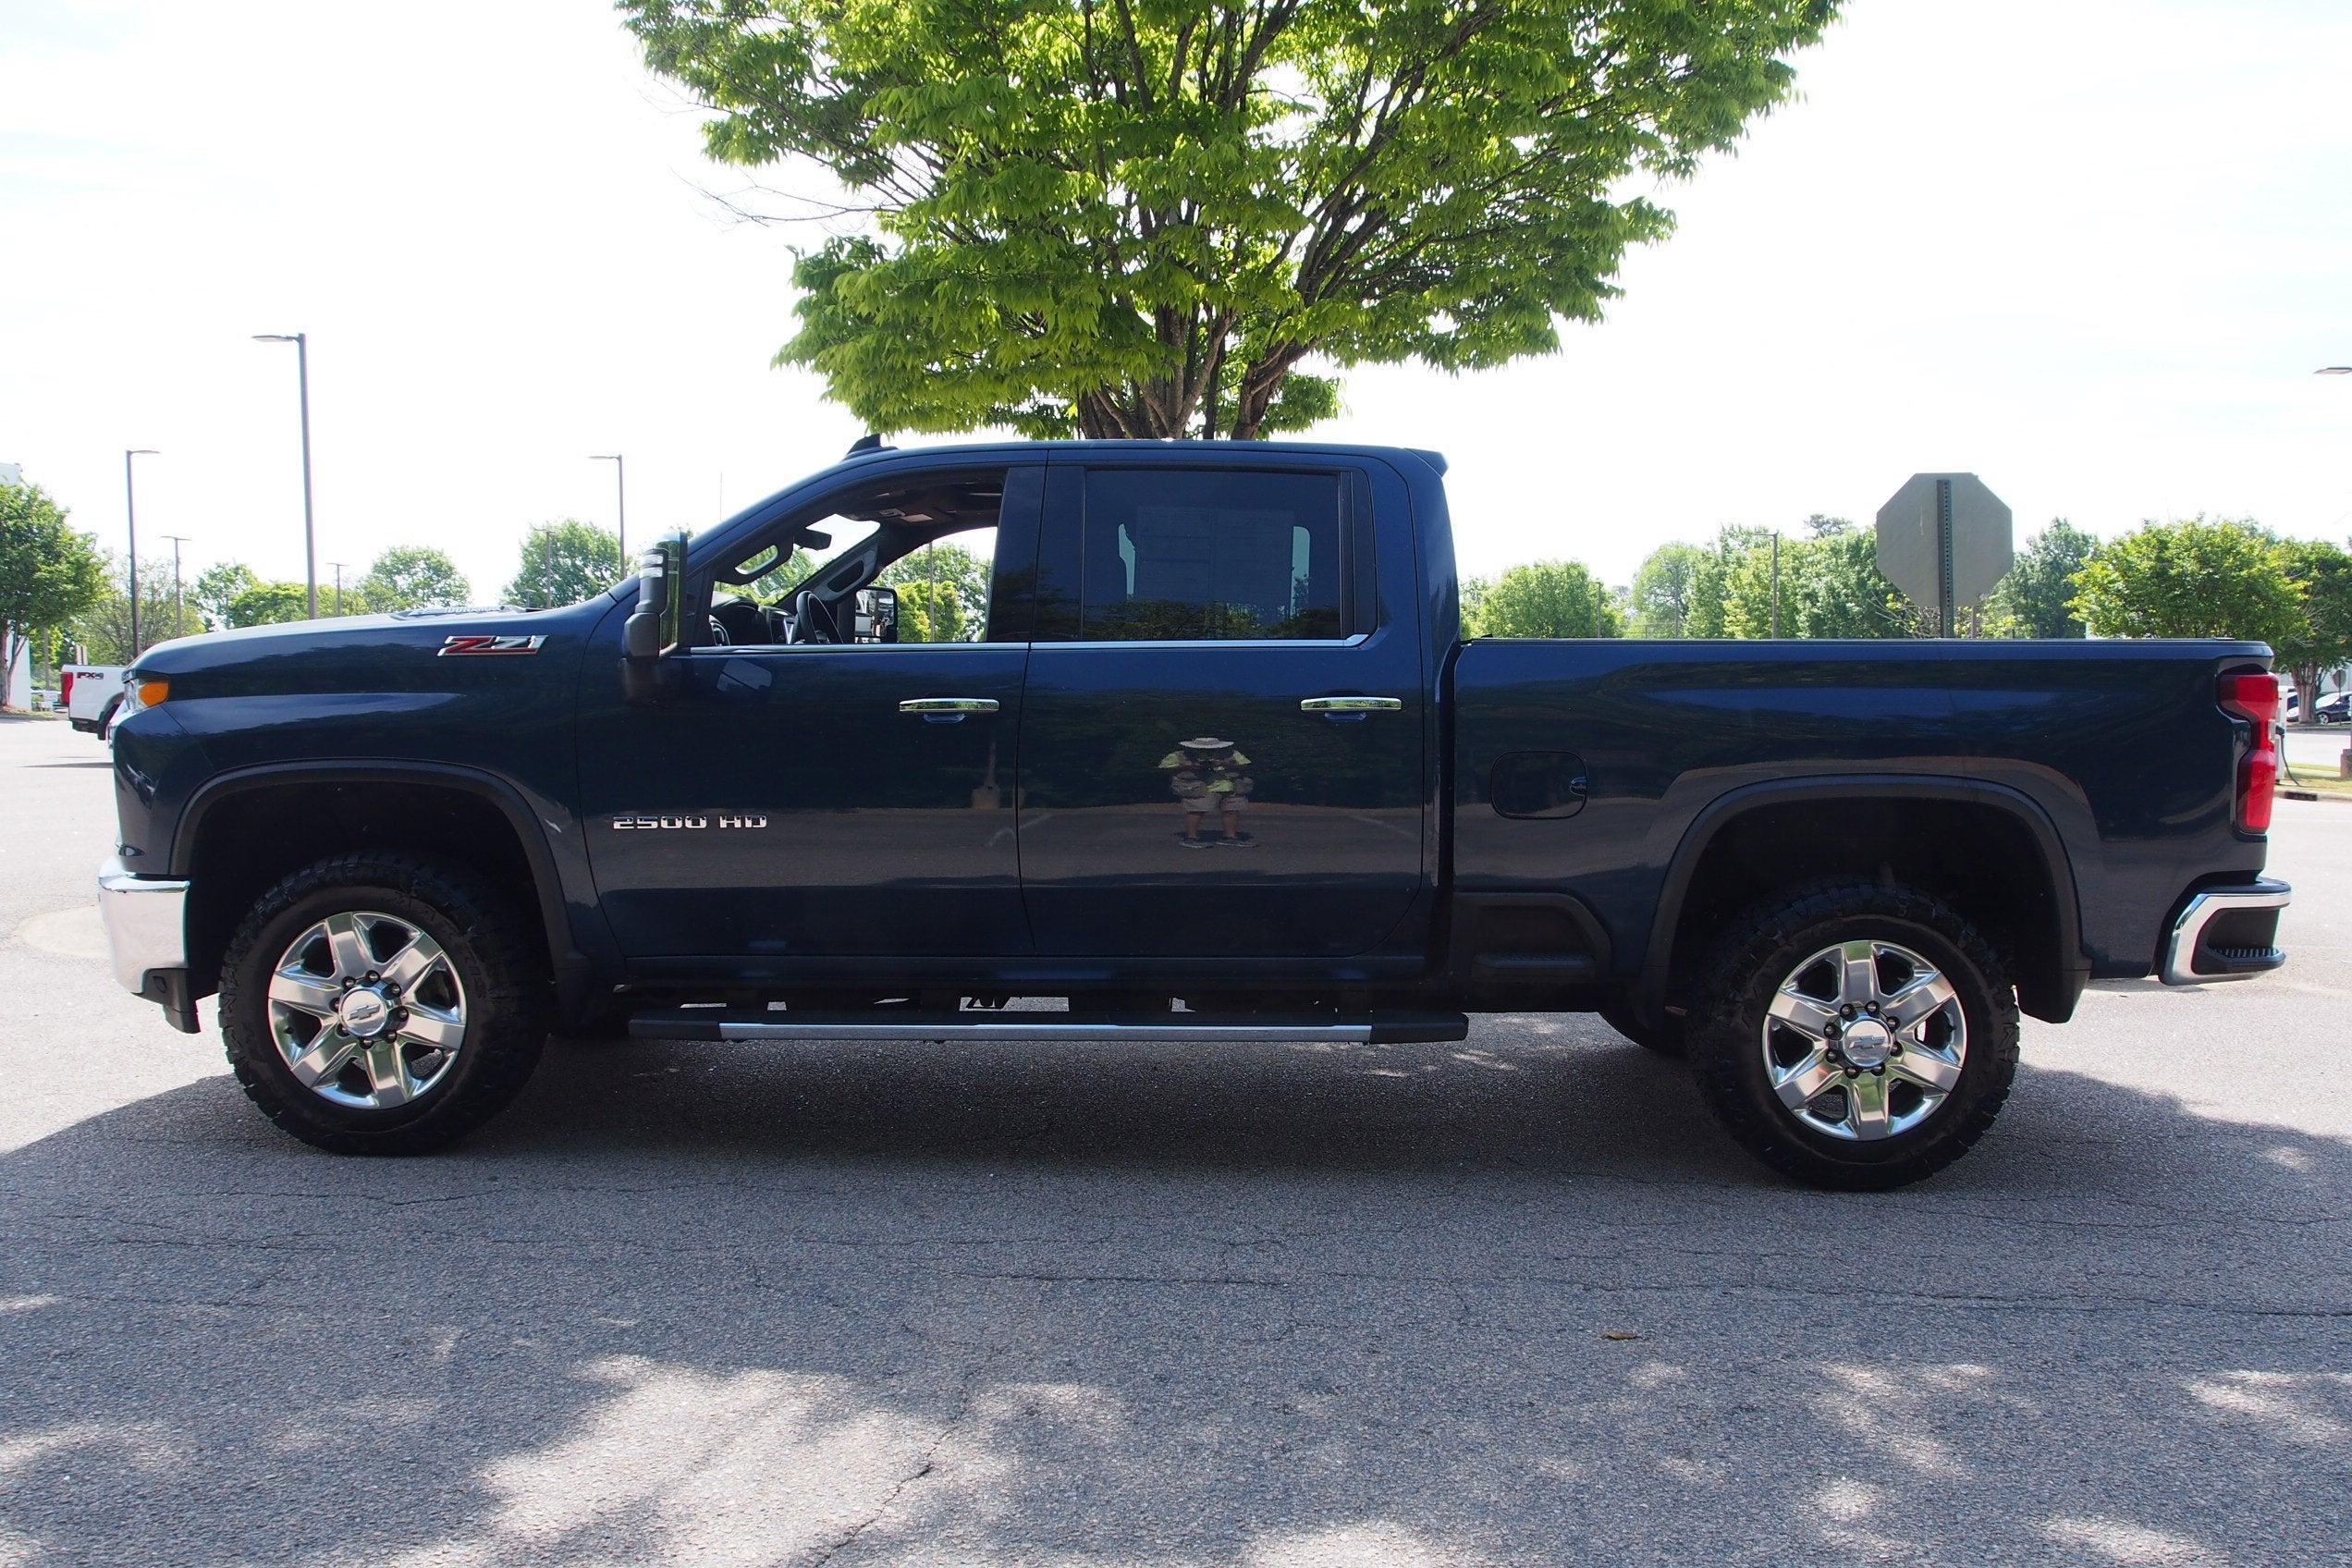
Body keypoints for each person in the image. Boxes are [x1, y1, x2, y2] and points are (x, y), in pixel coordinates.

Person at [1160, 736, 1255, 848]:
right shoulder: (1180, 755)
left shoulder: (1231, 753)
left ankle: (1230, 837)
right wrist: (1188, 767)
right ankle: (1191, 837)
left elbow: (1244, 765)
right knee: (1196, 811)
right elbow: (1165, 768)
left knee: (1232, 811)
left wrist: (1224, 764)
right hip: (1200, 787)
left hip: (1230, 786)